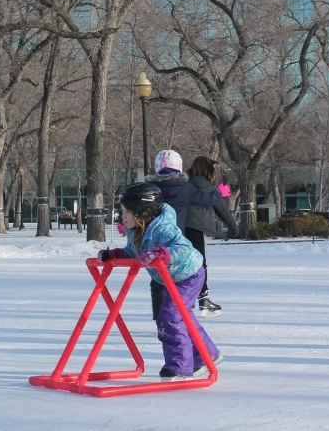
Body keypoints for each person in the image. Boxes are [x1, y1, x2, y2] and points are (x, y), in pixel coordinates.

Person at [98, 183, 222, 381]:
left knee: (171, 315)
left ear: (143, 213)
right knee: (182, 315)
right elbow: (134, 252)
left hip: (188, 274)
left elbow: (183, 249)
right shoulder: (136, 230)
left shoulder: (163, 229)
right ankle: (207, 355)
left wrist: (164, 253)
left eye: (127, 212)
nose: (123, 216)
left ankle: (180, 367)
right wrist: (115, 254)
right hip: (171, 278)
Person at [145, 150, 221, 320]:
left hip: (155, 239)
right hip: (176, 240)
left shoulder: (151, 189)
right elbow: (205, 199)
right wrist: (217, 193)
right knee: (181, 278)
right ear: (178, 166)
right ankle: (179, 315)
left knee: (158, 282)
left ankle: (160, 319)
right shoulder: (186, 188)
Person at [184, 156, 237, 318]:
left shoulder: (184, 186)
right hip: (196, 230)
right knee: (200, 263)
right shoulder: (210, 189)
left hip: (179, 229)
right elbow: (224, 213)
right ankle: (203, 298)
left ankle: (183, 297)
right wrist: (234, 231)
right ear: (209, 171)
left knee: (182, 263)